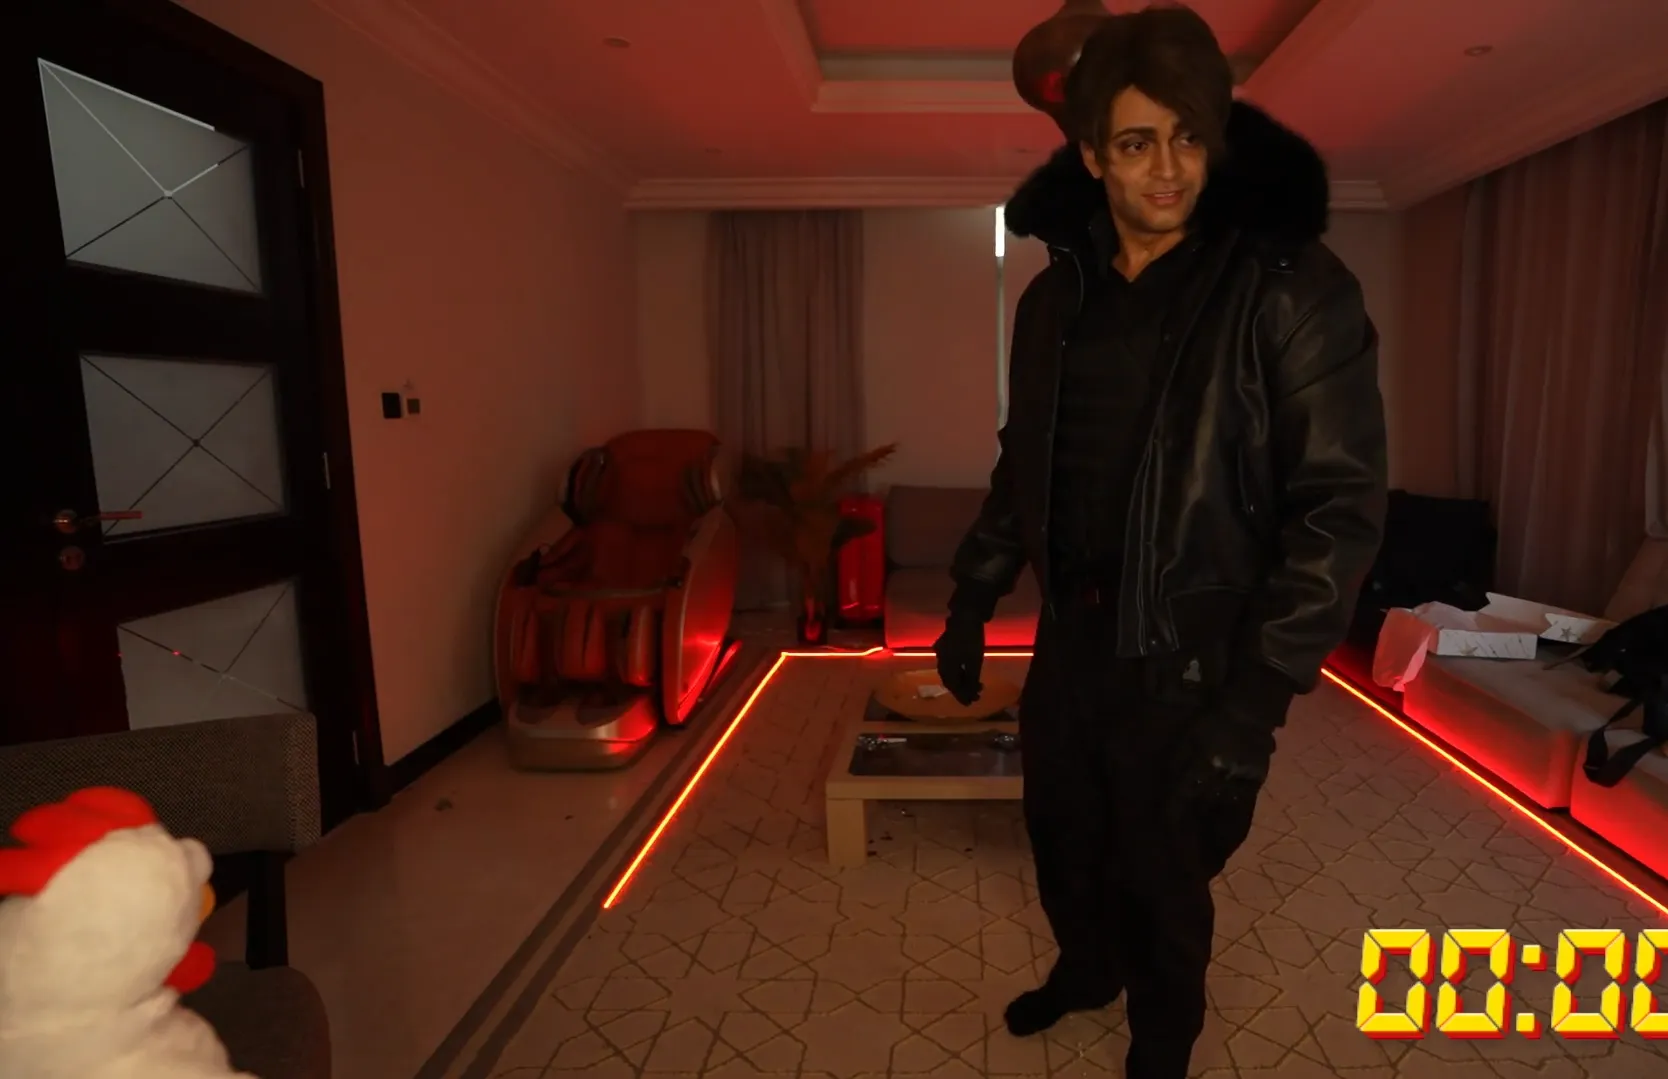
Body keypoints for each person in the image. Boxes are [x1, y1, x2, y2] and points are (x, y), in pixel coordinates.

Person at [933, 6, 1388, 1077]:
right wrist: (972, 593)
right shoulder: (1051, 300)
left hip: (1193, 654)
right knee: (1062, 833)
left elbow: (1338, 508)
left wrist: (1254, 704)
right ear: (1093, 154)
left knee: (1164, 872)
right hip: (1073, 640)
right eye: (1138, 142)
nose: (1170, 168)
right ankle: (1087, 968)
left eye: (1189, 135)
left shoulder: (1291, 288)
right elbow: (1022, 461)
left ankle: (1162, 1042)